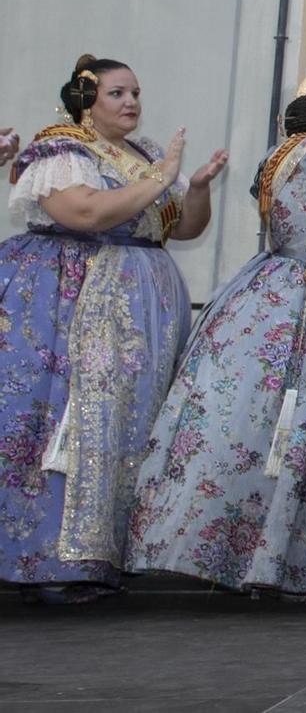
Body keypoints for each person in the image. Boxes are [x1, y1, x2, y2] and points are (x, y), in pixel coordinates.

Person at [0, 56, 226, 601]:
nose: (131, 103)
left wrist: (195, 187)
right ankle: (46, 562)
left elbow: (180, 227)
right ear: (87, 101)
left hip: (138, 307)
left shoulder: (141, 154)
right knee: (63, 420)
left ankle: (101, 556)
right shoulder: (60, 150)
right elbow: (85, 214)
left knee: (125, 429)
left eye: (135, 93)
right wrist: (160, 177)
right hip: (70, 302)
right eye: (117, 93)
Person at [128, 78, 306, 595]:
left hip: (265, 282)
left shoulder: (276, 157)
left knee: (245, 411)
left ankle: (227, 542)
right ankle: (289, 558)